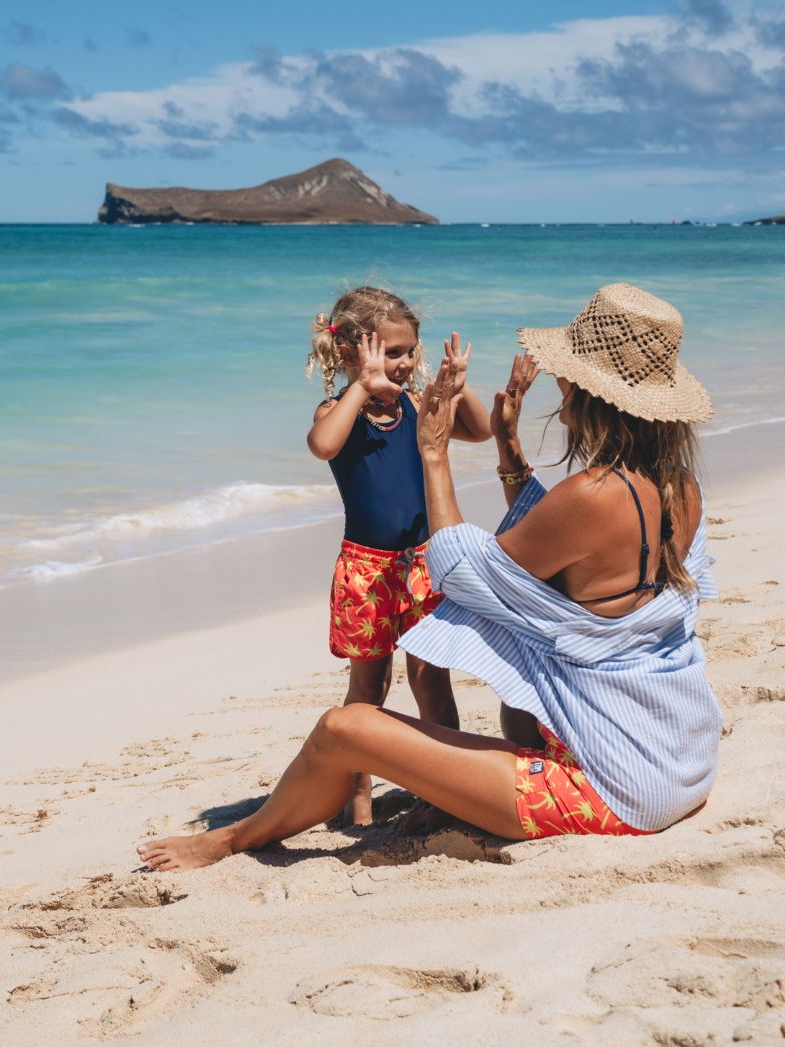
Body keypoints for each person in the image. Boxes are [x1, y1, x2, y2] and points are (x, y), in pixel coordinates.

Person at [137, 283, 723, 871]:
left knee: (344, 727)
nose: (558, 385)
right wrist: (510, 446)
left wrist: (434, 452)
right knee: (509, 694)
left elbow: (463, 573)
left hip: (620, 791)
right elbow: (559, 543)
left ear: (594, 393)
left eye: (566, 375)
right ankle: (434, 796)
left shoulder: (592, 496)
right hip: (680, 758)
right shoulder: (678, 486)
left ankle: (233, 839)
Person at [304, 286, 491, 824]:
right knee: (369, 685)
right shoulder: (339, 410)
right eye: (392, 352)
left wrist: (456, 388)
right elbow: (324, 445)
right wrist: (362, 389)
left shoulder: (417, 404)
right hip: (367, 571)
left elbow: (479, 431)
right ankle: (356, 799)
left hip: (424, 567)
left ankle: (451, 785)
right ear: (350, 354)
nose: (405, 363)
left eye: (410, 350)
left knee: (433, 678)